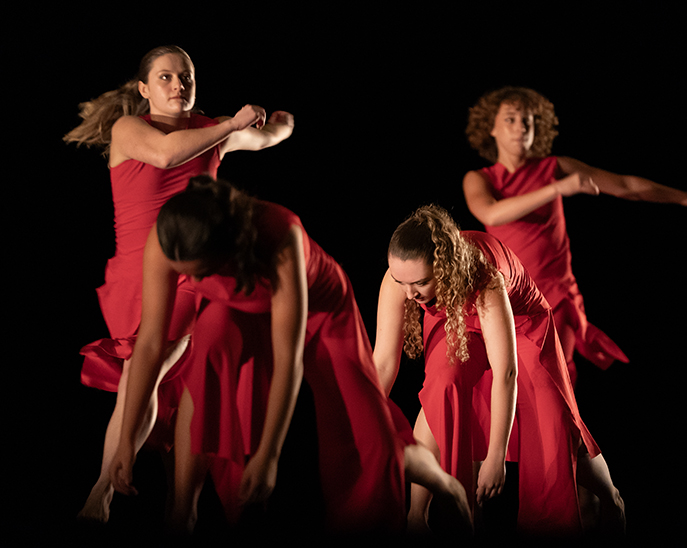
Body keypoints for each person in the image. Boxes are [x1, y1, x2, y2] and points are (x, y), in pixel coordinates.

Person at [109, 177, 471, 537]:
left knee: (367, 434)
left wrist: (268, 455)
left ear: (229, 249)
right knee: (208, 349)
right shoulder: (166, 240)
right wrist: (126, 440)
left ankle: (443, 483)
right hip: (239, 300)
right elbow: (151, 343)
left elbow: (288, 359)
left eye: (200, 272)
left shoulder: (282, 236)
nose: (190, 279)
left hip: (321, 307)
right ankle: (182, 511)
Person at [63, 44, 294, 522]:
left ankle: (118, 493)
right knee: (155, 375)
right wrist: (229, 125)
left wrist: (282, 120)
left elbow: (270, 136)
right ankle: (120, 485)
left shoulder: (211, 130)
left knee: (167, 370)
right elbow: (167, 157)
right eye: (166, 78)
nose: (178, 85)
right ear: (144, 89)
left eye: (185, 76)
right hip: (136, 271)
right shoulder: (131, 129)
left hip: (192, 270)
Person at [373, 204, 624, 538]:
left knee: (551, 423)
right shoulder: (403, 281)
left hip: (522, 322)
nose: (409, 294)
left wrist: (495, 459)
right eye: (400, 281)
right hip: (453, 313)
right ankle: (419, 514)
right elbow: (384, 363)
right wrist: (365, 429)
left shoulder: (485, 276)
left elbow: (507, 372)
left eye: (419, 282)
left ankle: (610, 496)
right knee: (443, 384)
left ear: (445, 268)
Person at [463, 86, 687, 385]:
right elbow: (490, 213)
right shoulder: (480, 178)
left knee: (552, 379)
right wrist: (557, 189)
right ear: (491, 127)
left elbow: (626, 185)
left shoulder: (555, 166)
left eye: (528, 120)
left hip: (555, 295)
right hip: (507, 296)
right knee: (506, 385)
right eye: (511, 119)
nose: (521, 128)